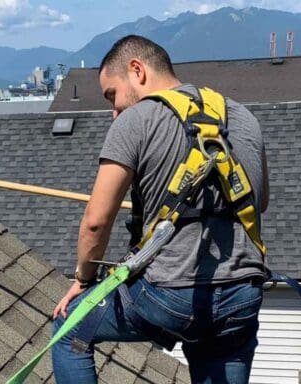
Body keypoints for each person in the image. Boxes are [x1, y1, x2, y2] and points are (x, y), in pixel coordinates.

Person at [51, 35, 270, 384]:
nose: (114, 110)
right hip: (241, 294)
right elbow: (260, 203)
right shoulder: (243, 118)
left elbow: (96, 222)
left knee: (69, 327)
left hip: (169, 294)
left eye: (113, 95)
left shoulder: (137, 120)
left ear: (137, 70)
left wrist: (84, 280)